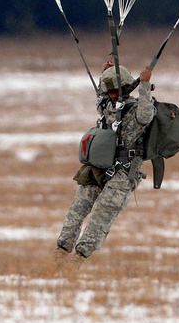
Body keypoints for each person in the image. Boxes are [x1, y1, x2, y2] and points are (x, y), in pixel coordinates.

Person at [57, 59, 154, 257]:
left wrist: (144, 85)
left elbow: (146, 115)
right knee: (76, 211)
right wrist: (105, 75)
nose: (109, 95)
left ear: (125, 89)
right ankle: (59, 257)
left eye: (113, 91)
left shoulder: (135, 112)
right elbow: (100, 98)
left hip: (122, 175)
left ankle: (77, 262)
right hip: (98, 168)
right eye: (107, 91)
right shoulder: (107, 106)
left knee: (100, 218)